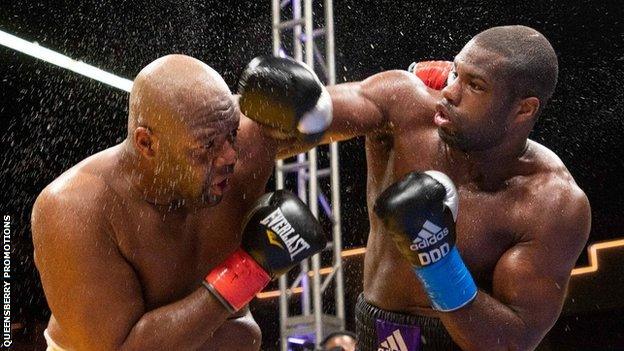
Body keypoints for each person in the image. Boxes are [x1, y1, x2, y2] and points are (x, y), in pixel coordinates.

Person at [241, 25, 591, 350]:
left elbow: (515, 339)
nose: (450, 91)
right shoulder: (405, 104)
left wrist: (438, 261)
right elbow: (323, 115)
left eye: (475, 85)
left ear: (524, 110)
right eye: (456, 72)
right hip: (372, 332)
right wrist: (297, 111)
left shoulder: (551, 203)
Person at [31, 54, 330, 351]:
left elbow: (363, 104)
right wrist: (248, 269)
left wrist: (316, 111)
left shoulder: (242, 137)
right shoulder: (76, 209)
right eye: (208, 145)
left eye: (232, 134)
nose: (230, 156)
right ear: (147, 143)